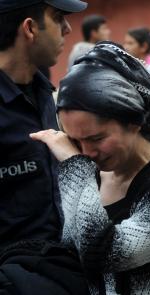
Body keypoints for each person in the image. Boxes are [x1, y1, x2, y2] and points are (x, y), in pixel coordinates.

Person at [31, 41, 150, 294]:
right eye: (74, 140)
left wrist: (74, 165)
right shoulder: (90, 173)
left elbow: (102, 253)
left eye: (96, 138)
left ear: (134, 122)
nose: (86, 153)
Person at [0, 0, 89, 294]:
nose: (67, 28)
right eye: (58, 17)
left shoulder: (48, 96)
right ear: (29, 28)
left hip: (67, 277)